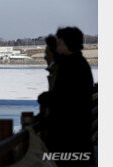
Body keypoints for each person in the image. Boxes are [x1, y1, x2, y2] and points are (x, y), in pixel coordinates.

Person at [38, 27, 94, 167]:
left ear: (69, 44)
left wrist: (46, 98)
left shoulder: (72, 66)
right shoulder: (78, 63)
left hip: (70, 138)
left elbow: (64, 98)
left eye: (60, 43)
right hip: (76, 137)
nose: (57, 47)